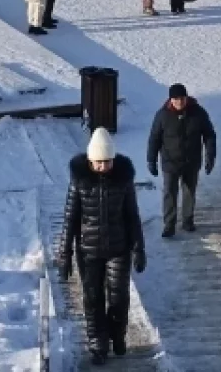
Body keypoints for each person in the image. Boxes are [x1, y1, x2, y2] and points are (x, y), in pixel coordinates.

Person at [58, 127, 146, 365]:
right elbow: (70, 218)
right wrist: (64, 253)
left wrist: (139, 248)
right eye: (98, 162)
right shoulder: (80, 182)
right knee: (92, 297)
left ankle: (117, 335)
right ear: (90, 160)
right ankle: (98, 343)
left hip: (119, 249)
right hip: (89, 251)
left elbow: (132, 216)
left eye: (107, 162)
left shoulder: (123, 181)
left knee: (118, 297)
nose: (102, 167)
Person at [147, 84, 217, 237]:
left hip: (191, 160)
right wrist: (151, 160)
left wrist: (210, 156)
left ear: (186, 98)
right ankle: (169, 225)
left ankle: (187, 220)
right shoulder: (162, 115)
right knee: (169, 193)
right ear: (170, 99)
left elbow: (209, 135)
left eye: (182, 98)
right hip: (170, 161)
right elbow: (154, 138)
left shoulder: (198, 113)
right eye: (176, 99)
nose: (179, 102)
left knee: (189, 191)